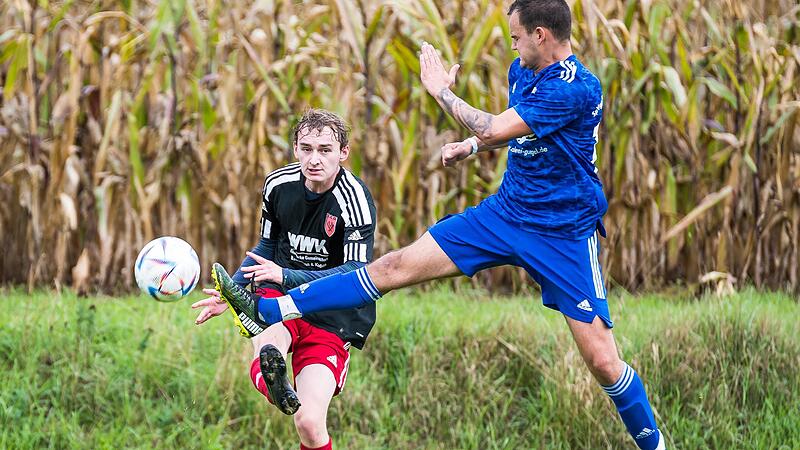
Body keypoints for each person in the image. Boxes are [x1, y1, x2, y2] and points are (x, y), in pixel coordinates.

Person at [211, 1, 665, 448]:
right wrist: (469, 147)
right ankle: (272, 310)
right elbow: (513, 131)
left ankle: (655, 445)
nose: (512, 46)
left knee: (604, 363)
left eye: (515, 37)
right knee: (392, 267)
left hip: (563, 234)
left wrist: (441, 92)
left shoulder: (577, 88)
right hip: (505, 215)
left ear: (540, 35)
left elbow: (493, 127)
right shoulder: (523, 71)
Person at [193, 109, 377, 450]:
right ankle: (271, 379)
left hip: (333, 313)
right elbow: (266, 245)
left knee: (308, 423)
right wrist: (228, 292)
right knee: (270, 343)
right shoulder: (277, 185)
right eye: (306, 148)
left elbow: (355, 273)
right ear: (295, 149)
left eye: (325, 150)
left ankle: (279, 386)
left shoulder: (355, 200)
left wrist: (286, 273)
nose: (314, 159)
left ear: (343, 153)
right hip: (277, 295)